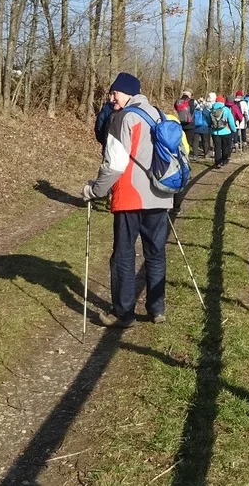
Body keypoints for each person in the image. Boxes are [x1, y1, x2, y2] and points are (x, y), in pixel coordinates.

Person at [82, 72, 172, 328]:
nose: (111, 98)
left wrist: (94, 190)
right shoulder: (159, 114)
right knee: (155, 253)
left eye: (115, 93)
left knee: (123, 255)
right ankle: (157, 309)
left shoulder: (122, 117)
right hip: (160, 195)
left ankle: (124, 313)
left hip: (130, 197)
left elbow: (114, 164)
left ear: (128, 92)